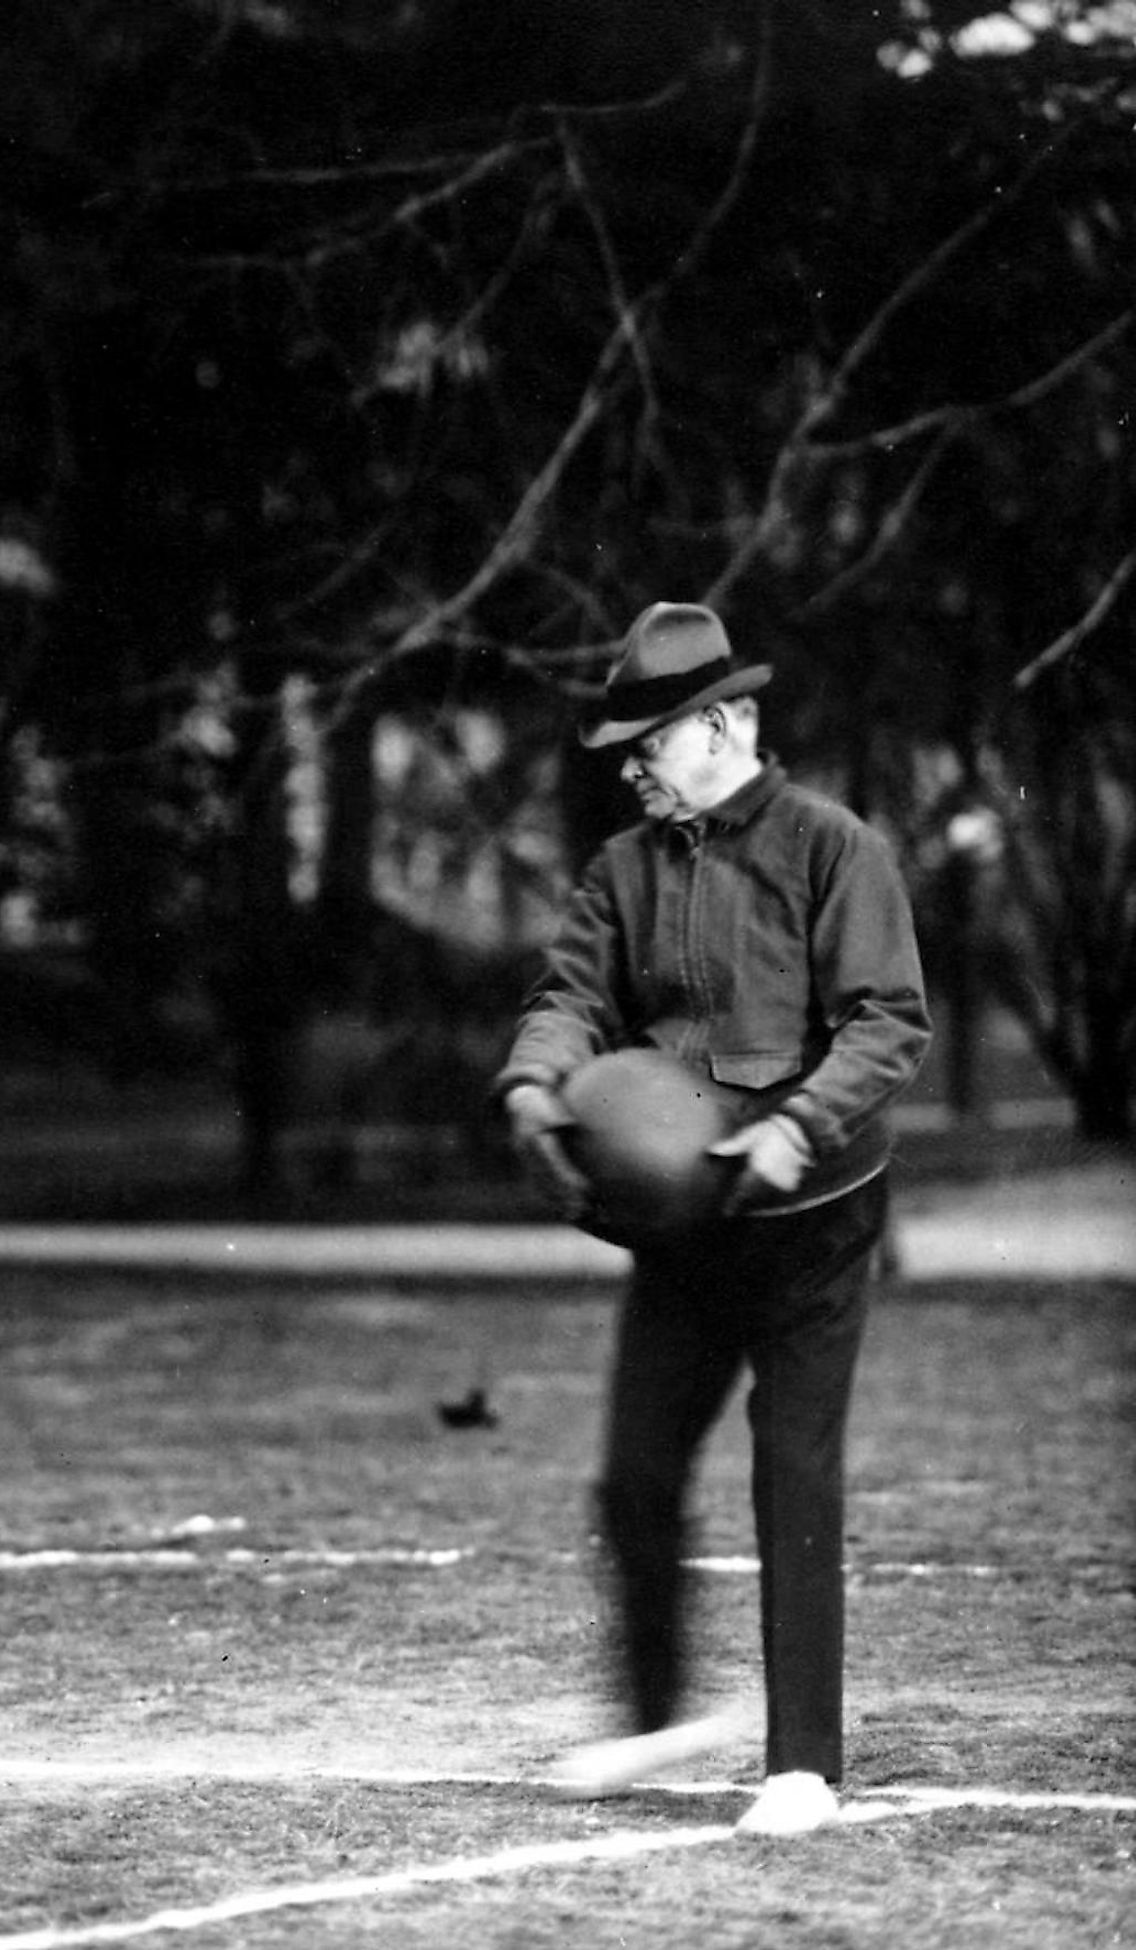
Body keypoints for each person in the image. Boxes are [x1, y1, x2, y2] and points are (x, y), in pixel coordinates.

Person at [495, 602, 932, 1836]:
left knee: (792, 1468)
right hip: (686, 1224)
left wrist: (797, 1125)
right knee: (634, 1475)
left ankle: (804, 1763)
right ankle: (656, 1723)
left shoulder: (834, 848)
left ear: (728, 724)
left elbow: (889, 1021)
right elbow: (569, 997)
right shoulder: (622, 872)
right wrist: (536, 1087)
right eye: (625, 743)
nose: (631, 762)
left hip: (816, 1217)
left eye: (653, 736)